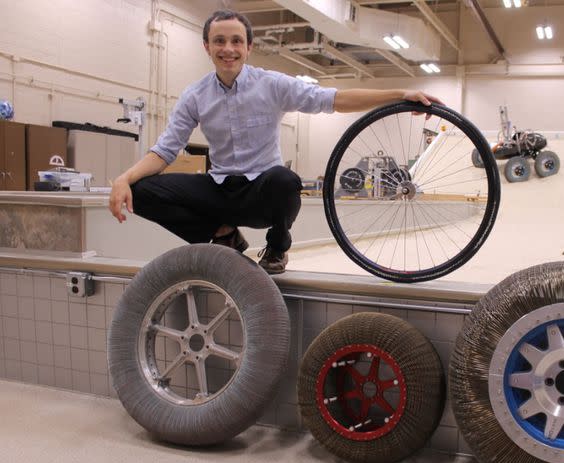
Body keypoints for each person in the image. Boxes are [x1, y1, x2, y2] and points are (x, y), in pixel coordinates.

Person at [109, 9, 441, 274]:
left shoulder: (272, 85)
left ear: (249, 48)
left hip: (263, 194)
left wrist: (400, 94)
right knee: (141, 190)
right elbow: (166, 150)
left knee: (286, 179)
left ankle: (278, 245)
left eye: (237, 41)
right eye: (220, 41)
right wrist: (124, 179)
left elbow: (334, 99)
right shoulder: (195, 95)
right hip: (221, 190)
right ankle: (224, 234)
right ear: (206, 47)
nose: (228, 49)